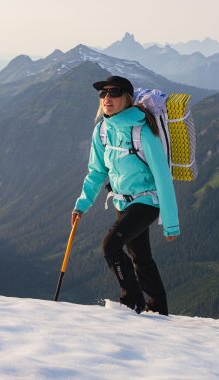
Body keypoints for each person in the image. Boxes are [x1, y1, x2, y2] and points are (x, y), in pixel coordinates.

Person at [72, 75, 179, 315]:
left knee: (111, 245)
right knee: (141, 257)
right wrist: (82, 204)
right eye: (103, 93)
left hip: (147, 202)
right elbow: (97, 171)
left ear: (127, 99)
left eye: (114, 92)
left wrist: (170, 225)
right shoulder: (101, 130)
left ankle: (132, 303)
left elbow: (163, 177)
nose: (107, 98)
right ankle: (158, 309)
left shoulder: (142, 131)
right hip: (122, 202)